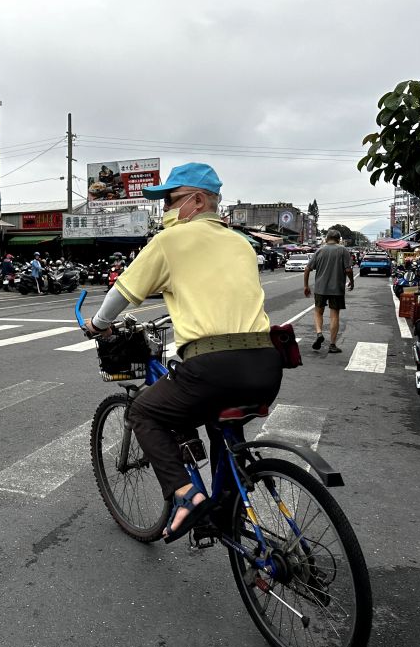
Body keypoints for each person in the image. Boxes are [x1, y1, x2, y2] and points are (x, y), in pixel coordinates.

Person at [84, 163, 282, 543]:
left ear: (197, 200)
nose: (166, 212)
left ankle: (186, 497)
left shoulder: (170, 242)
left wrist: (97, 325)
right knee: (218, 421)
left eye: (172, 201)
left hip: (213, 367)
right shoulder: (242, 243)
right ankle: (227, 507)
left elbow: (121, 295)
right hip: (266, 365)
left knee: (144, 411)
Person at [303, 229, 355, 354]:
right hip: (337, 289)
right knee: (334, 315)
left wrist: (306, 286)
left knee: (318, 312)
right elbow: (348, 270)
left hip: (320, 288)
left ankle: (319, 333)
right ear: (339, 239)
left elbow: (307, 269)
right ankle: (332, 345)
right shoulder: (343, 250)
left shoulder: (320, 250)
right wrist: (351, 281)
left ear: (326, 238)